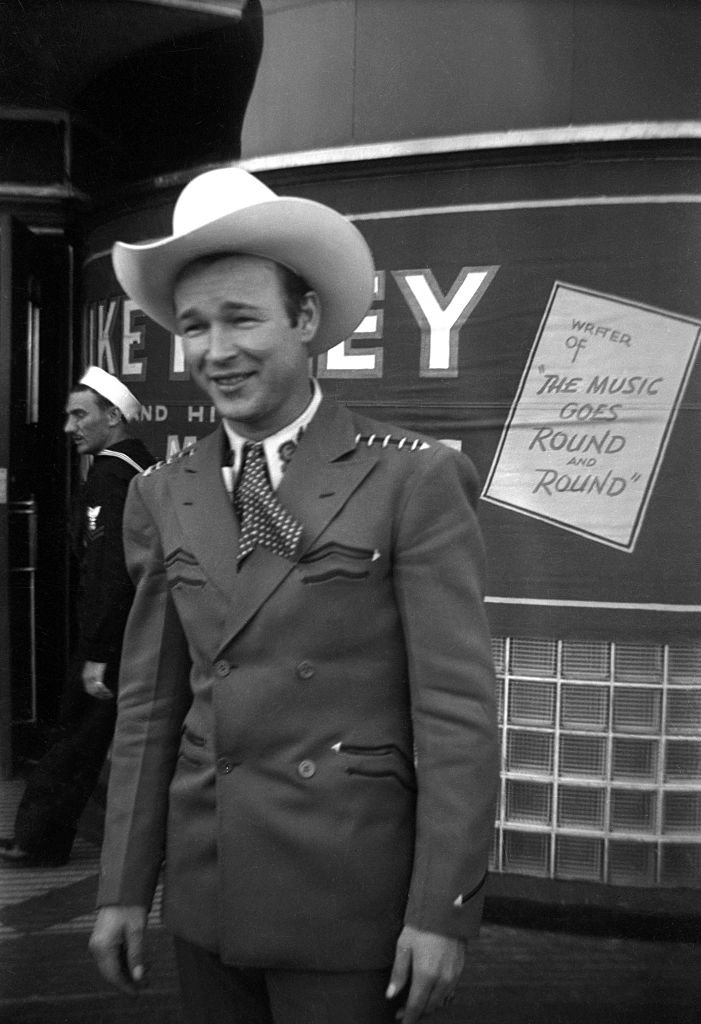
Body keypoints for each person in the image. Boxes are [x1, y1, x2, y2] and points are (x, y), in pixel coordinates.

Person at [88, 168, 499, 1024]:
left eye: (242, 318)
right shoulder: (163, 492)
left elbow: (455, 714)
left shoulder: (411, 478)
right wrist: (122, 890)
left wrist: (440, 910)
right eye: (194, 327)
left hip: (347, 897)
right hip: (207, 895)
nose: (215, 351)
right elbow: (150, 710)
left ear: (305, 320)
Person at [0, 368, 155, 867]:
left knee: (75, 737)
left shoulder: (111, 476)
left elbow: (111, 572)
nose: (69, 427)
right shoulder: (140, 467)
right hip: (140, 632)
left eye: (79, 414)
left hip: (116, 637)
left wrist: (97, 653)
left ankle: (39, 839)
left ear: (113, 417)